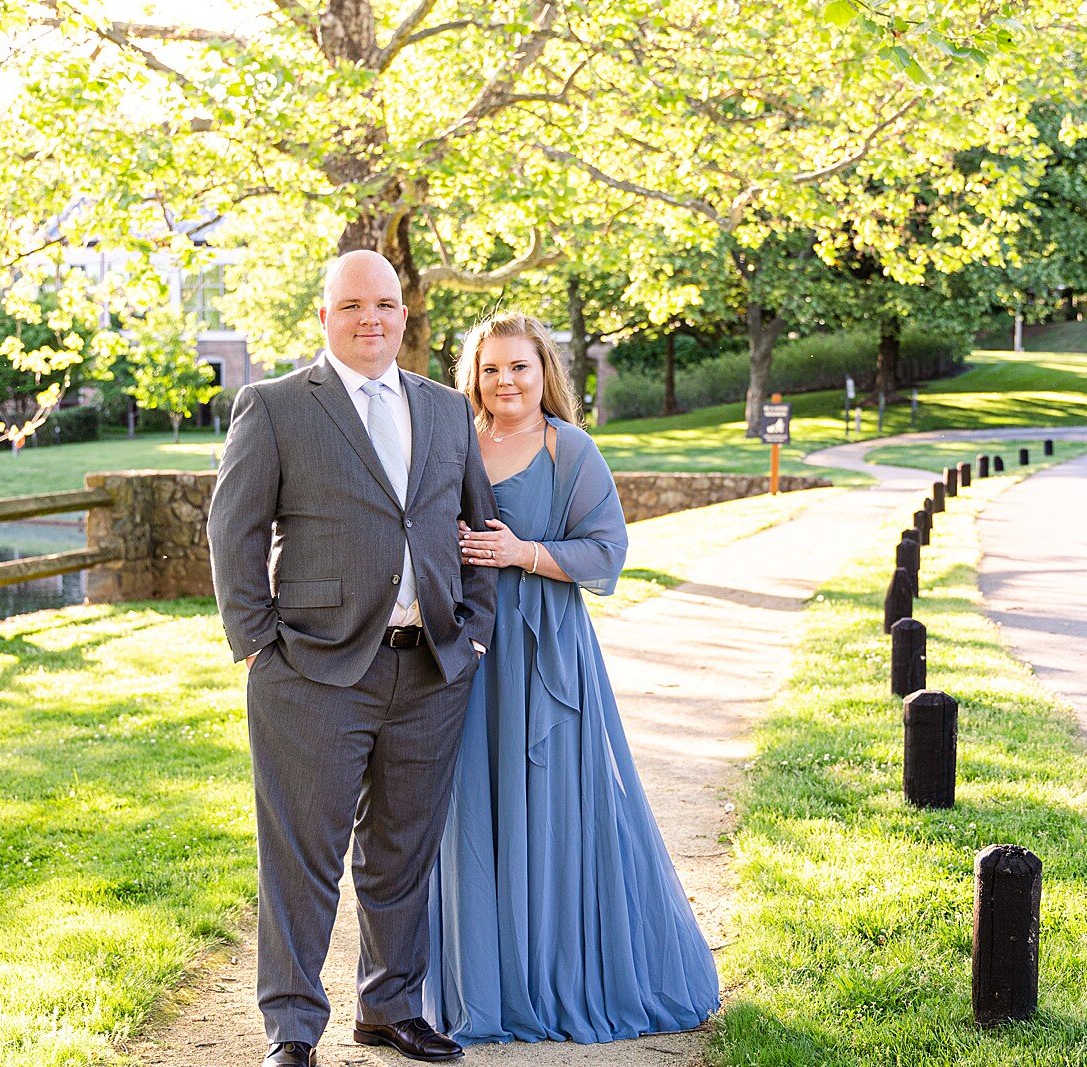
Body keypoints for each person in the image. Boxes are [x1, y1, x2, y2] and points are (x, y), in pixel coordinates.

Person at [207, 250, 497, 1067]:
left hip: (432, 669)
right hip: (312, 674)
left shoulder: (445, 411)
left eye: (386, 304)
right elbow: (232, 533)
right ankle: (293, 1028)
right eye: (353, 305)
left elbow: (476, 527)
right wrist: (260, 644)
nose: (372, 318)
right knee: (303, 857)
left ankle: (390, 1006)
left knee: (402, 851)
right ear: (325, 317)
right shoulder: (273, 407)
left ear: (405, 314)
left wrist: (471, 633)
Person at [424, 311, 720, 1045]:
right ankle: (481, 989)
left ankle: (556, 980)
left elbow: (607, 553)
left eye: (519, 366)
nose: (506, 382)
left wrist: (522, 551)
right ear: (475, 374)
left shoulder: (570, 450)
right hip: (467, 653)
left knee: (552, 807)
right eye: (491, 368)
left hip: (544, 654)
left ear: (543, 370)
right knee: (470, 810)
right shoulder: (454, 441)